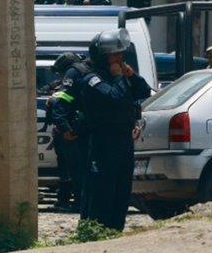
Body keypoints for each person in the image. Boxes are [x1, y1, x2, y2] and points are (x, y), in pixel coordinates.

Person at [74, 29, 152, 231]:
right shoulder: (92, 79)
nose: (121, 58)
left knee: (121, 187)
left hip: (123, 139)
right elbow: (113, 99)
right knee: (102, 187)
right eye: (116, 55)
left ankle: (116, 229)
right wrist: (119, 78)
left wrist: (131, 76)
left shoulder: (118, 75)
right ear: (104, 57)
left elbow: (144, 92)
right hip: (102, 140)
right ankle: (96, 229)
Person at [45, 51, 87, 211]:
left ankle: (78, 202)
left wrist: (64, 126)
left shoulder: (73, 75)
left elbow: (64, 101)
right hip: (70, 128)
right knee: (67, 168)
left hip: (71, 129)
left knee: (75, 168)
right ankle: (65, 199)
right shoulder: (81, 75)